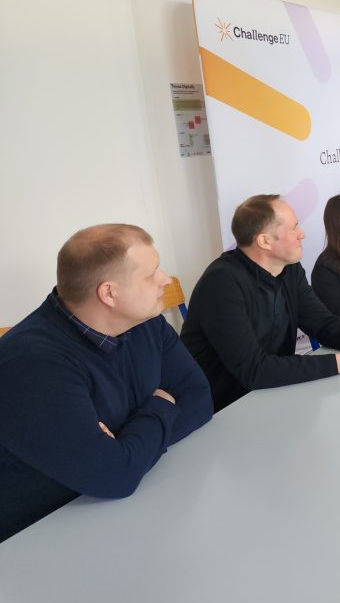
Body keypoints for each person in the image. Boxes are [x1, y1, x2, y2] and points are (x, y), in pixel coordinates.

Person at [0, 224, 212, 542]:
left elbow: (199, 398)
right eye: (151, 273)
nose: (165, 279)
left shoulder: (145, 321)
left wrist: (125, 445)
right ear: (109, 293)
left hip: (126, 511)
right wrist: (159, 405)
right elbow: (115, 476)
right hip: (42, 538)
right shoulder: (30, 362)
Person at [182, 194, 340, 412]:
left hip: (272, 393)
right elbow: (254, 370)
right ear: (264, 241)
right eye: (293, 228)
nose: (302, 234)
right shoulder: (221, 283)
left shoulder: (289, 268)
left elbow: (321, 322)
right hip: (224, 409)